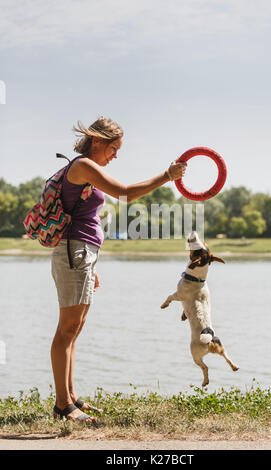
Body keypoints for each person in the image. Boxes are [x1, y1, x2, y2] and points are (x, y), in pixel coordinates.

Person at [51, 117, 187, 422]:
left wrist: (91, 264)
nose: (116, 155)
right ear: (97, 141)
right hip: (74, 253)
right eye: (114, 148)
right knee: (67, 329)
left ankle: (71, 397)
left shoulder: (87, 168)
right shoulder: (84, 165)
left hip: (82, 254)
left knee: (75, 329)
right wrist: (167, 175)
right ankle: (62, 405)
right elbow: (125, 193)